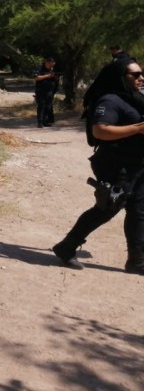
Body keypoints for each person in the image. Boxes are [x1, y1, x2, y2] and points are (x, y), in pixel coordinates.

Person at [52, 58, 144, 275]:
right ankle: (66, 247)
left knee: (139, 211)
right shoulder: (110, 100)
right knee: (107, 208)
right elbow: (100, 131)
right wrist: (137, 129)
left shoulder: (136, 98)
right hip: (115, 164)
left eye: (141, 73)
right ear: (121, 78)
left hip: (138, 164)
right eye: (135, 75)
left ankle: (137, 261)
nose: (141, 78)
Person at [33, 57, 59, 127]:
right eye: (50, 65)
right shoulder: (39, 68)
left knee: (48, 106)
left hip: (50, 91)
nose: (51, 66)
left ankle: (45, 121)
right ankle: (40, 122)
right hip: (41, 91)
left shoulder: (52, 69)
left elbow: (56, 79)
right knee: (41, 106)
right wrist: (48, 76)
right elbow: (36, 78)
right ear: (46, 63)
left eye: (52, 65)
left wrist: (55, 77)